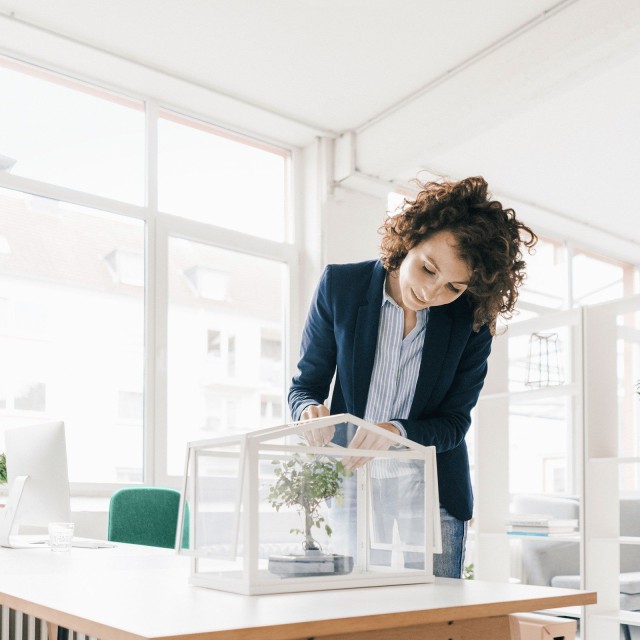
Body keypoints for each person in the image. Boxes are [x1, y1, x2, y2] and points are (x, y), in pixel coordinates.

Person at [288, 175, 537, 578]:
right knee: (361, 609)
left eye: (454, 286)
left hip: (434, 489)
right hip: (355, 484)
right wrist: (308, 411)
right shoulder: (341, 287)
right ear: (410, 240)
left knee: (437, 617)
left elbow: (455, 424)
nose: (432, 292)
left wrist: (395, 432)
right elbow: (304, 387)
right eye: (428, 269)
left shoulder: (472, 321)